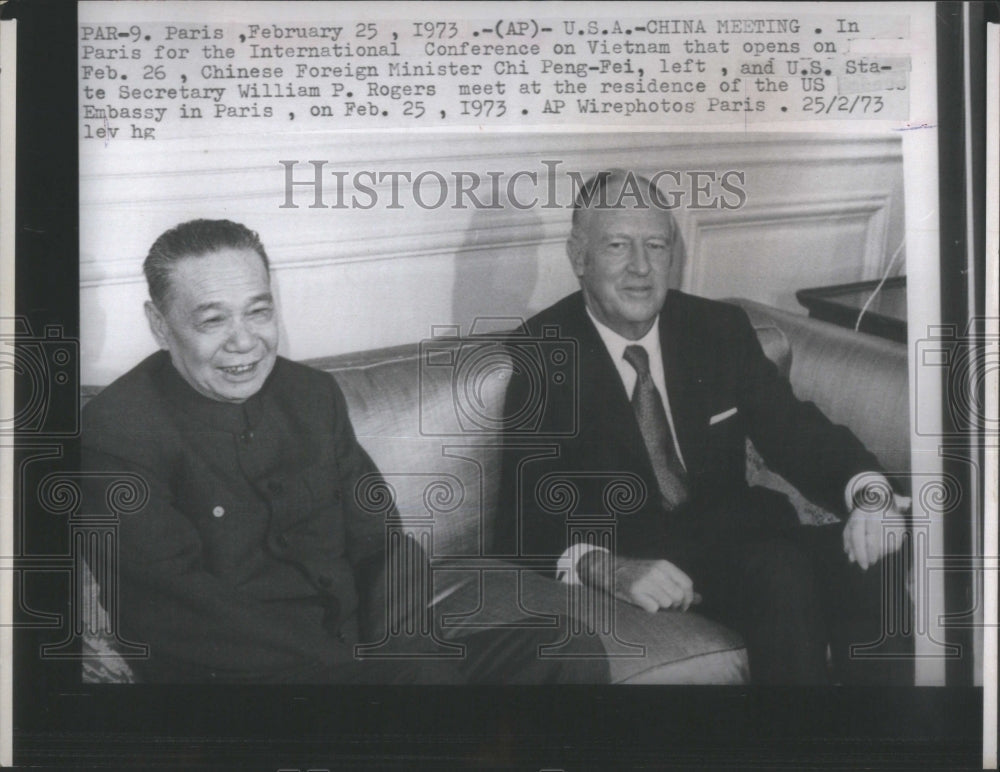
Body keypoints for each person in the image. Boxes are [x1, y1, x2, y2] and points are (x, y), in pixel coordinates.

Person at [82, 218, 609, 684]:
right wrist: (367, 668)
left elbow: (382, 542)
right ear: (159, 325)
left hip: (367, 657)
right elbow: (181, 610)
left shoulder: (312, 396)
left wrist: (406, 644)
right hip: (239, 681)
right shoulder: (118, 431)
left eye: (259, 312)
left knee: (566, 646)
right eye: (213, 320)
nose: (244, 342)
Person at [496, 170, 912, 685]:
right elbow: (521, 520)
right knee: (780, 572)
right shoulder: (543, 354)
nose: (641, 268)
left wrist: (868, 490)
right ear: (578, 257)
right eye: (618, 246)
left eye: (655, 245)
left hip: (744, 539)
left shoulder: (717, 328)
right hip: (655, 562)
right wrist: (610, 568)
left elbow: (793, 429)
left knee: (878, 551)